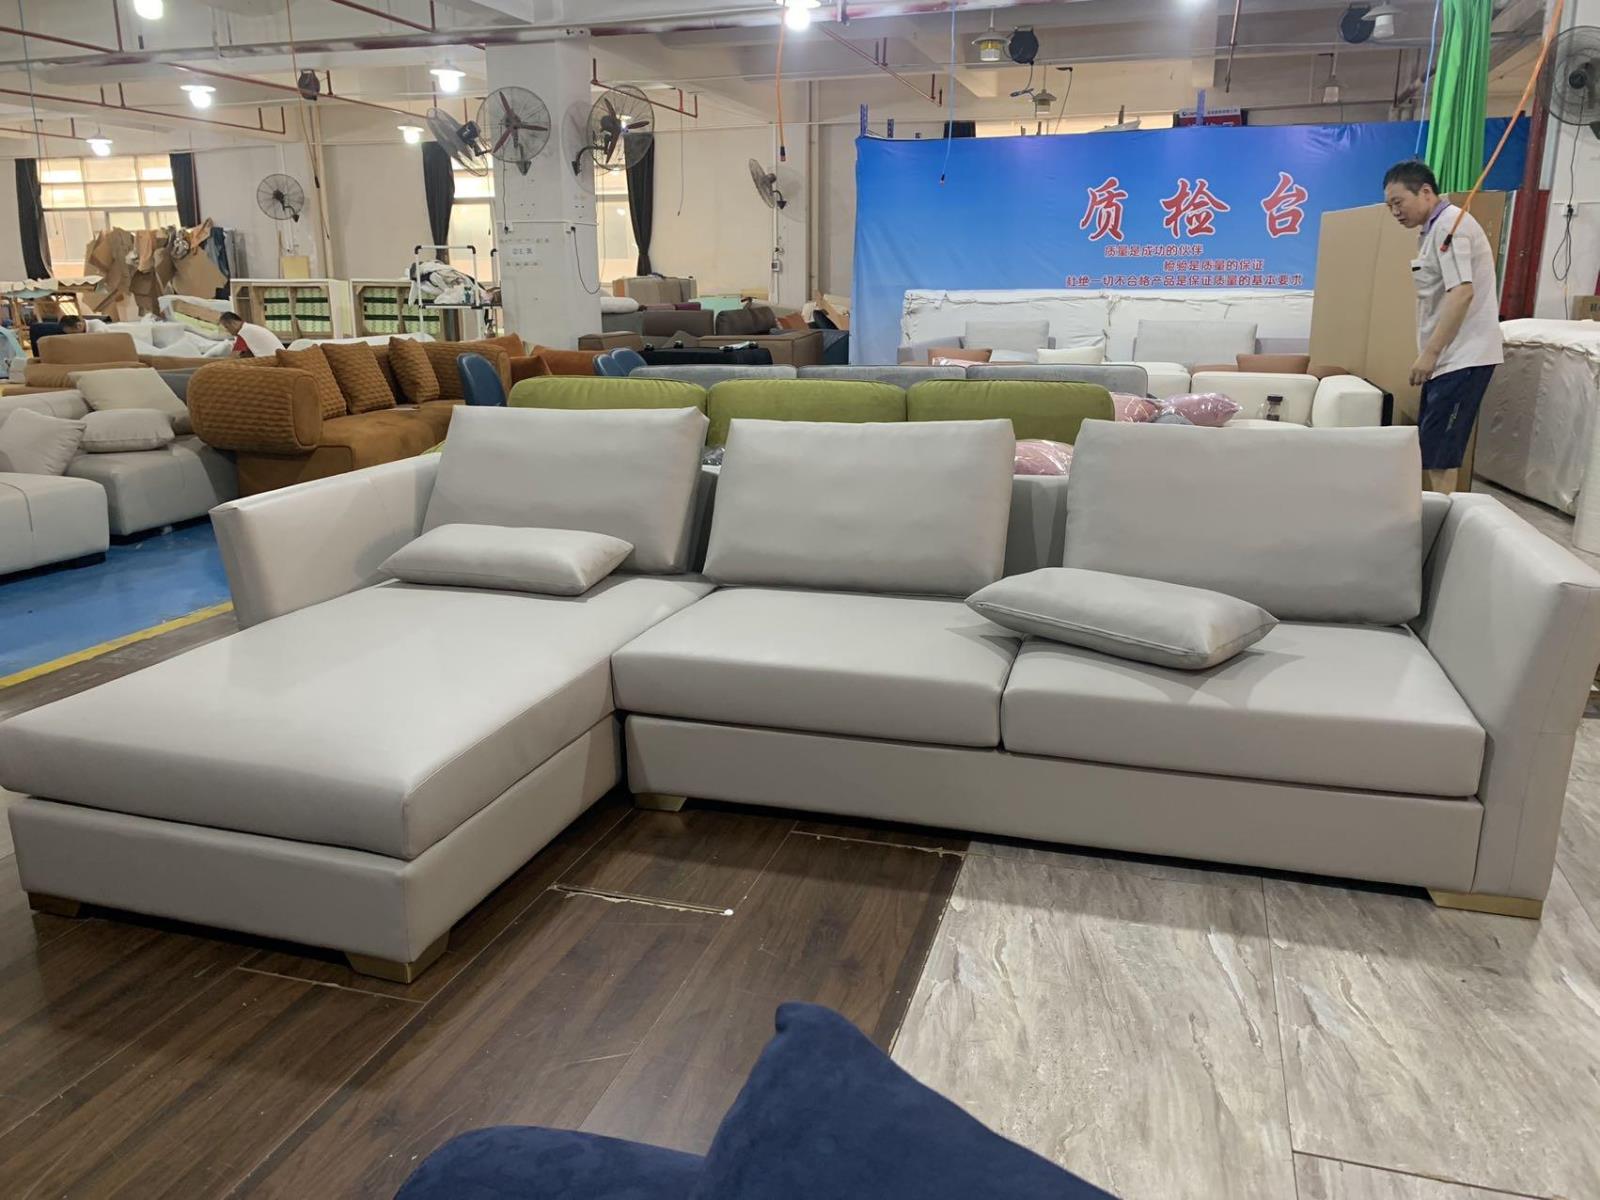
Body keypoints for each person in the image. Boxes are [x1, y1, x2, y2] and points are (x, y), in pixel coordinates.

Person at [1382, 159, 1504, 494]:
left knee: (1440, 454)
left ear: (1425, 191)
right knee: (1432, 445)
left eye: (1398, 202)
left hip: (1463, 358)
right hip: (1448, 360)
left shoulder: (1452, 226)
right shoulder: (1432, 230)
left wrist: (1430, 354)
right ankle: (1428, 511)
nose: (1395, 212)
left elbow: (1462, 293)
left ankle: (1438, 520)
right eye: (1390, 206)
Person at [219, 310, 285, 358]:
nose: (227, 331)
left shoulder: (244, 332)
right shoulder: (249, 328)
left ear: (233, 323)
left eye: (227, 327)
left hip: (274, 362)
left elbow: (233, 357)